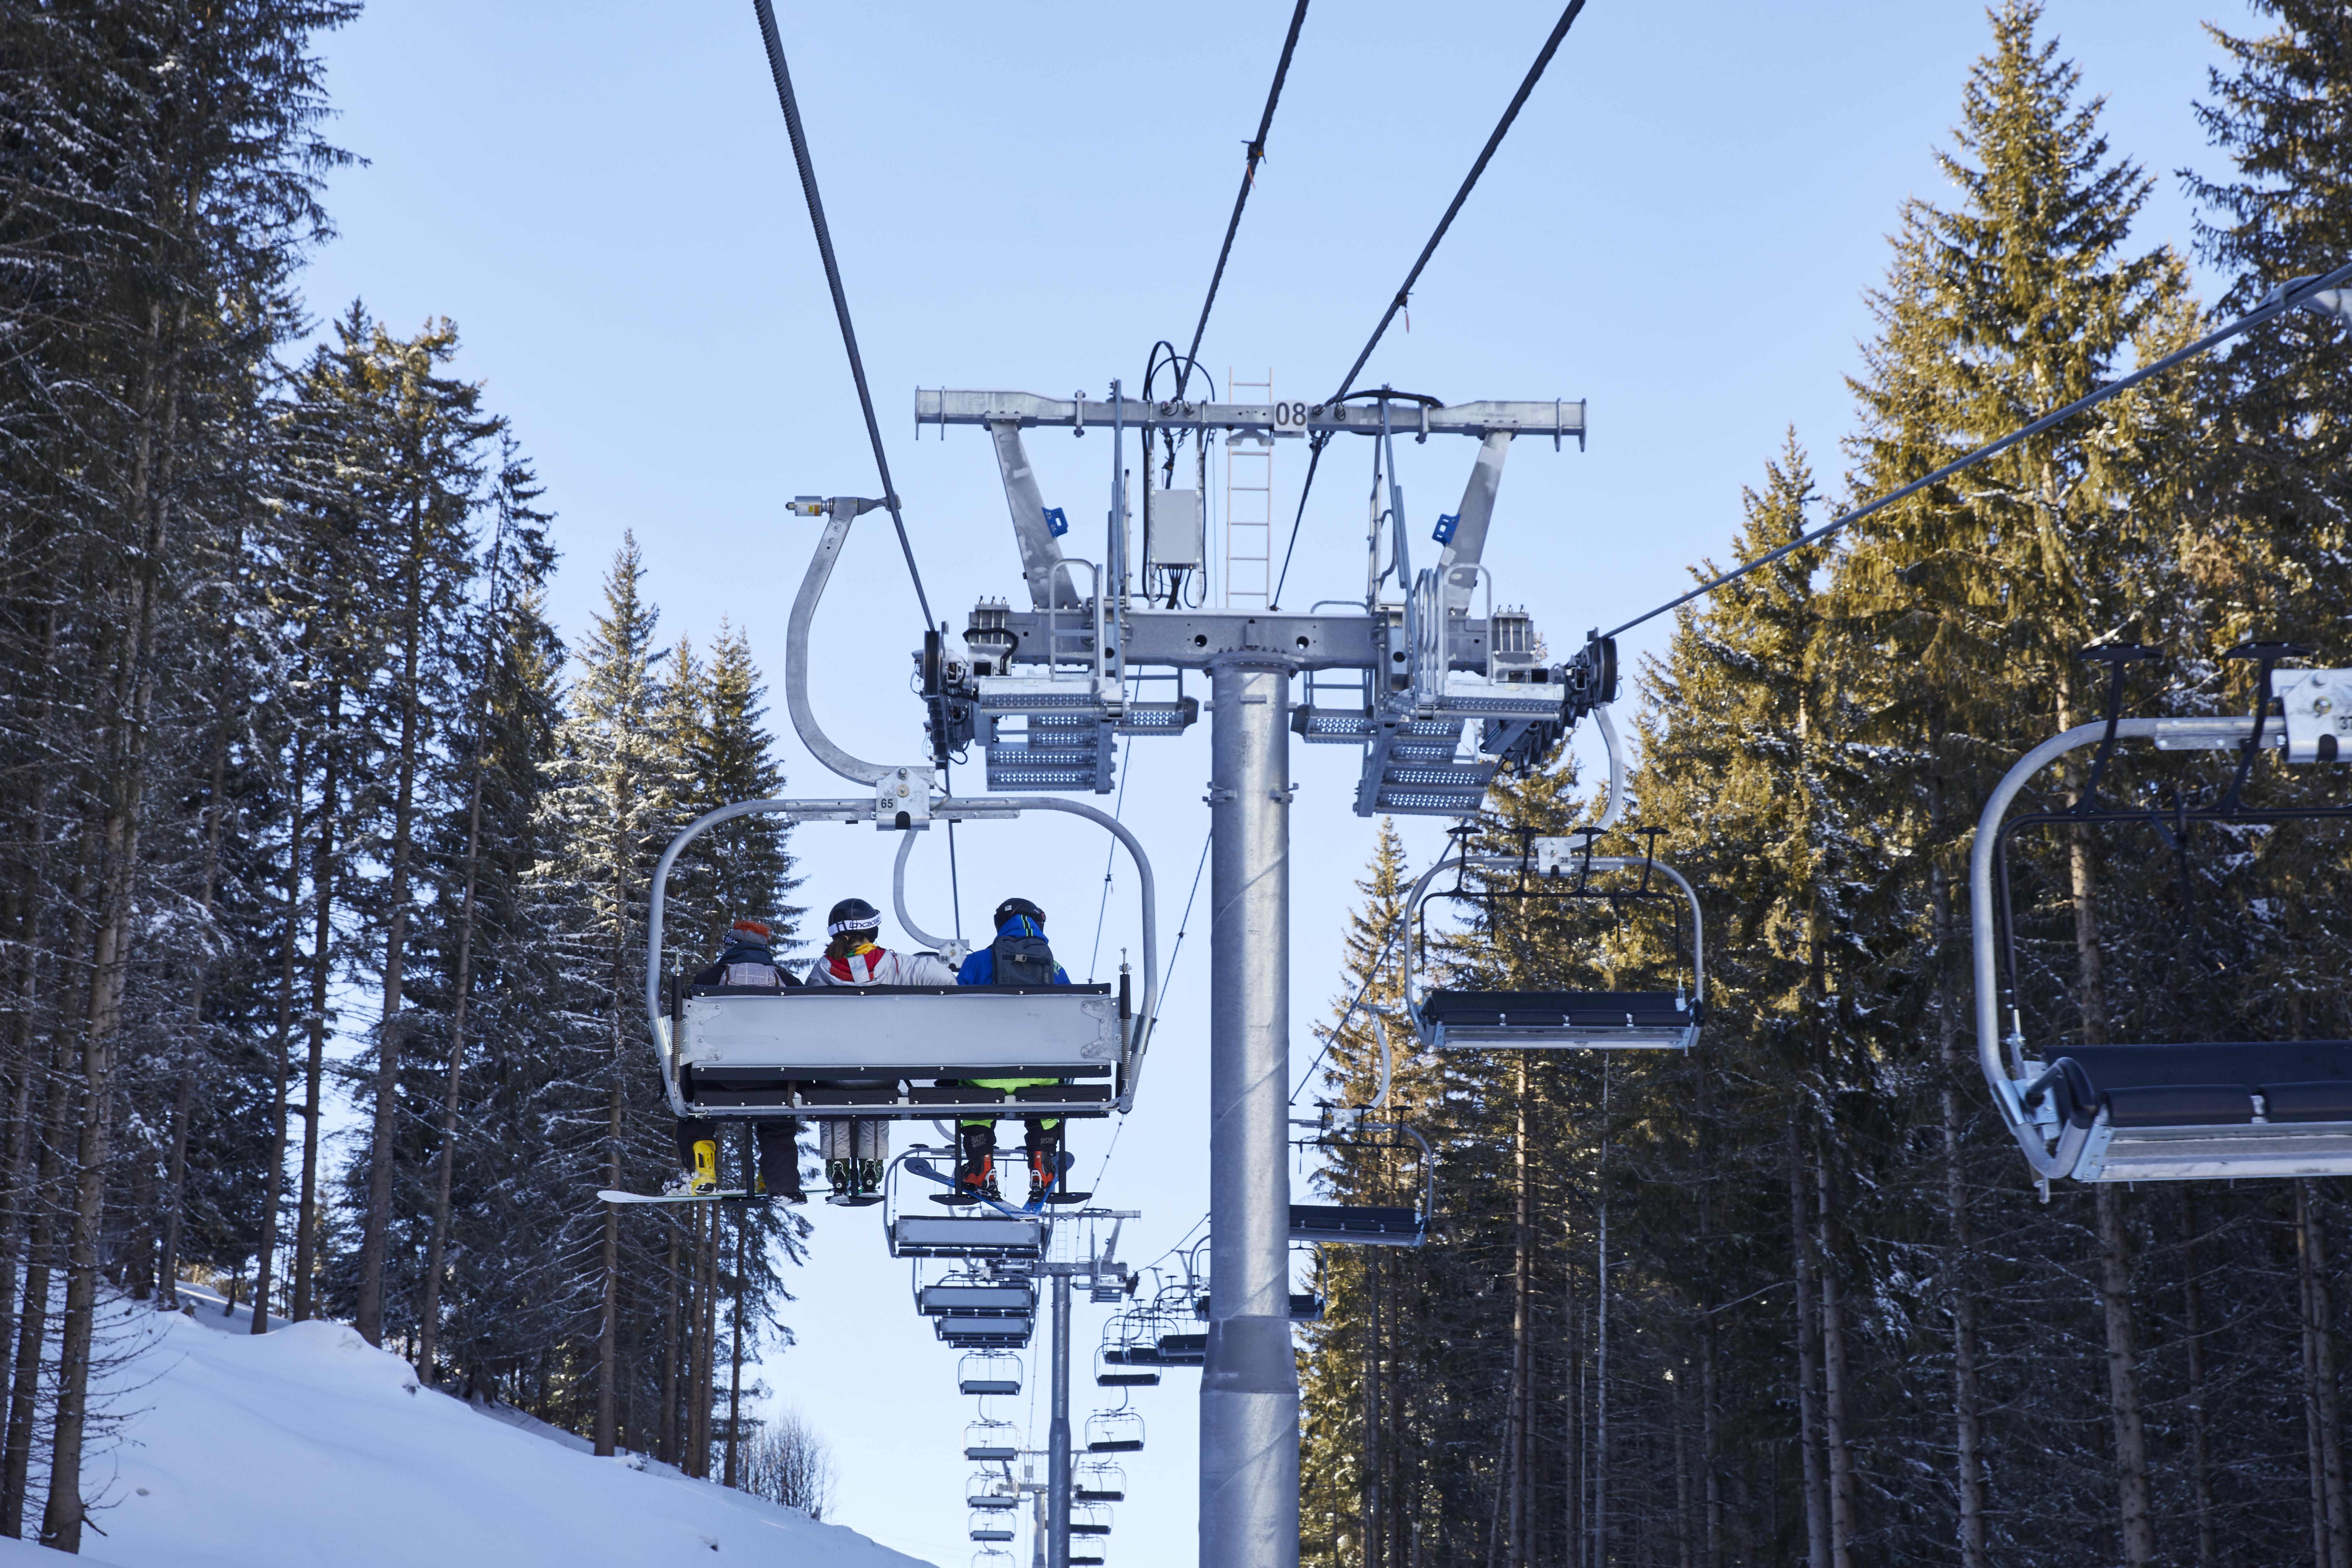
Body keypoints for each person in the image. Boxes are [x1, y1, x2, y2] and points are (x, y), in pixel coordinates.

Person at [803, 897, 957, 1201]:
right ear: (872, 931)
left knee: (835, 1099)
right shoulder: (898, 964)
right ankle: (872, 1168)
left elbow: (805, 1013)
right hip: (882, 1066)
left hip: (835, 1070)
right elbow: (945, 979)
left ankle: (838, 1168)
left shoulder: (822, 971)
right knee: (878, 1094)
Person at [951, 898, 1076, 1205]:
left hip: (985, 1073)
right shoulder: (1055, 967)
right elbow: (1074, 1019)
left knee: (970, 1092)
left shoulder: (978, 962)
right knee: (1048, 1097)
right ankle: (1042, 1166)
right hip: (1039, 1073)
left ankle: (981, 1167)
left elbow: (950, 1013)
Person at [670, 919, 805, 1201]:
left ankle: (702, 1174)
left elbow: (688, 1032)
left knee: (696, 1113)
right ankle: (779, 1183)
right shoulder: (789, 983)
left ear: (730, 947)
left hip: (717, 1080)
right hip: (774, 1080)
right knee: (779, 1121)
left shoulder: (706, 981)